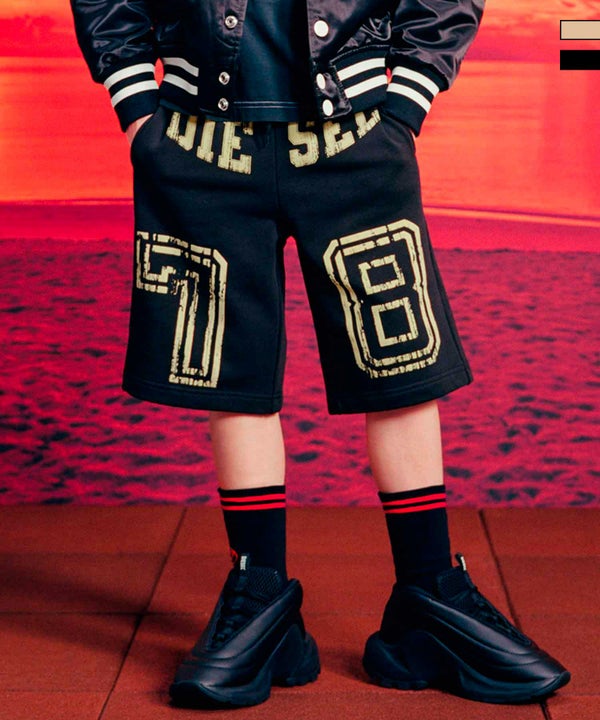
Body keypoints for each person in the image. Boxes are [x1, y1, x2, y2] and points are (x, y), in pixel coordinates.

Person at [71, 0, 570, 709]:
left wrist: (408, 101)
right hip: (195, 136)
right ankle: (260, 594)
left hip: (357, 131)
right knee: (229, 371)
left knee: (399, 364)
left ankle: (430, 593)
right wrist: (135, 107)